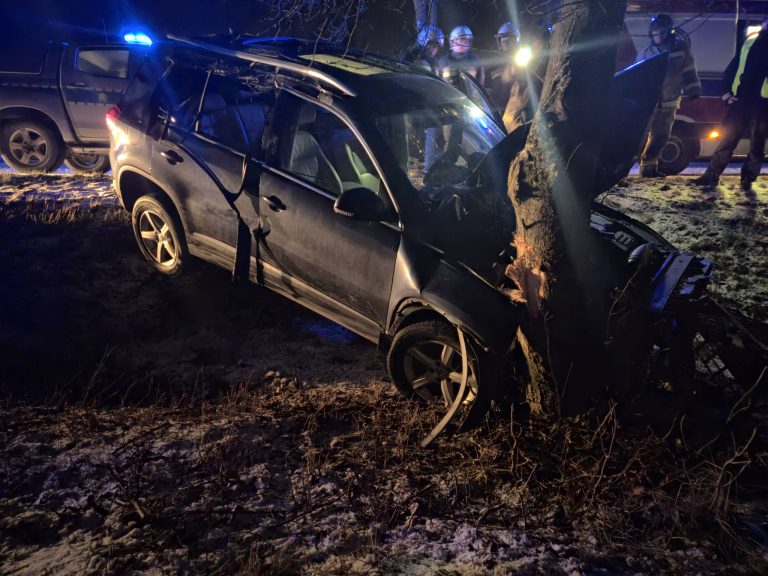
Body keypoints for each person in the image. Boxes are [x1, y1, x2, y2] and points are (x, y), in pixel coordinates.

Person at [694, 13, 768, 191]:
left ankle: (747, 180)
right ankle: (712, 176)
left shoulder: (752, 41)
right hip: (742, 101)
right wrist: (726, 93)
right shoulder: (750, 42)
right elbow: (733, 67)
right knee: (728, 140)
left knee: (756, 145)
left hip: (762, 104)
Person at [635, 14, 702, 177]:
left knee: (661, 136)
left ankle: (649, 169)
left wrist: (693, 90)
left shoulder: (680, 49)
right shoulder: (646, 52)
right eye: (656, 33)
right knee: (638, 136)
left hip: (669, 101)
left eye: (662, 32)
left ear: (669, 32)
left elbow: (689, 70)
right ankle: (623, 168)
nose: (658, 36)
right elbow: (636, 77)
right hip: (648, 102)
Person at [485, 22, 549, 133]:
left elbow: (534, 80)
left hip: (525, 110)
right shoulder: (496, 62)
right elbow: (496, 93)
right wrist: (508, 76)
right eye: (503, 40)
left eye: (509, 40)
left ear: (516, 39)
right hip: (505, 112)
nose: (505, 43)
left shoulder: (524, 56)